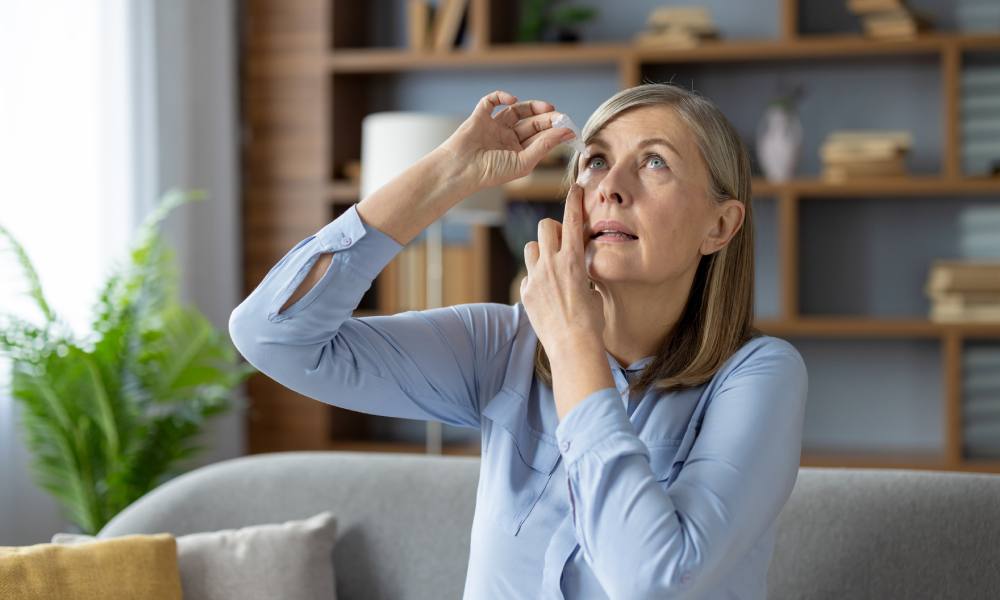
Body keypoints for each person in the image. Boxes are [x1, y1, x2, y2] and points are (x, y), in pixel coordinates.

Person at [228, 82, 808, 599]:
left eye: (654, 162)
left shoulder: (759, 377)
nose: (611, 188)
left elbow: (650, 579)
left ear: (720, 226)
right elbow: (272, 335)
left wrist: (573, 339)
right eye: (596, 161)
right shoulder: (504, 345)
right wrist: (447, 174)